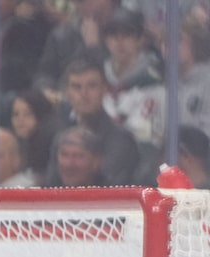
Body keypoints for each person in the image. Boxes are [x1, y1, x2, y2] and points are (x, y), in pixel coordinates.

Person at [46, 53, 138, 187]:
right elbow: (51, 185)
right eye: (77, 87)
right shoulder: (58, 133)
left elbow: (112, 188)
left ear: (104, 89)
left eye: (92, 86)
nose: (84, 94)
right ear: (67, 92)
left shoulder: (121, 139)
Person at [101, 8, 164, 181]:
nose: (120, 42)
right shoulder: (99, 75)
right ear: (106, 40)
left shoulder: (155, 78)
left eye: (127, 34)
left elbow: (150, 135)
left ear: (140, 39)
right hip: (103, 152)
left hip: (142, 157)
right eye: (114, 35)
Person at [9, 88, 59, 180]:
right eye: (16, 114)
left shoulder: (52, 144)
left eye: (28, 114)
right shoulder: (13, 143)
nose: (20, 120)